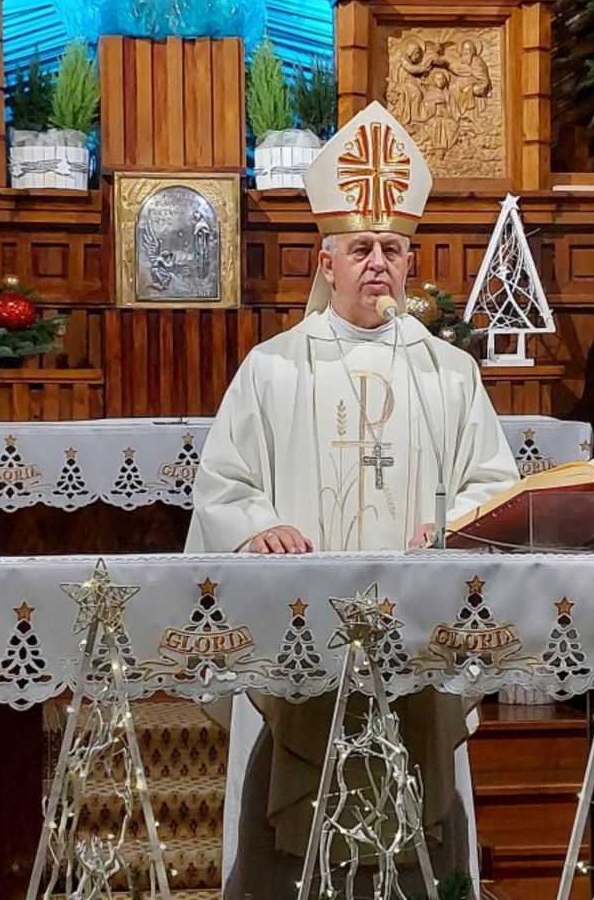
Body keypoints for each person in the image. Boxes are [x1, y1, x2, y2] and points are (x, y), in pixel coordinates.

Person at [186, 101, 519, 896]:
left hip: (417, 626)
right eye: (361, 248)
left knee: (423, 812)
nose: (378, 264)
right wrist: (259, 527)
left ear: (410, 262)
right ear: (326, 263)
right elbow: (224, 483)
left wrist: (449, 527)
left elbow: (492, 487)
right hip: (301, 628)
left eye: (392, 249)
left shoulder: (447, 373)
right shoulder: (273, 368)